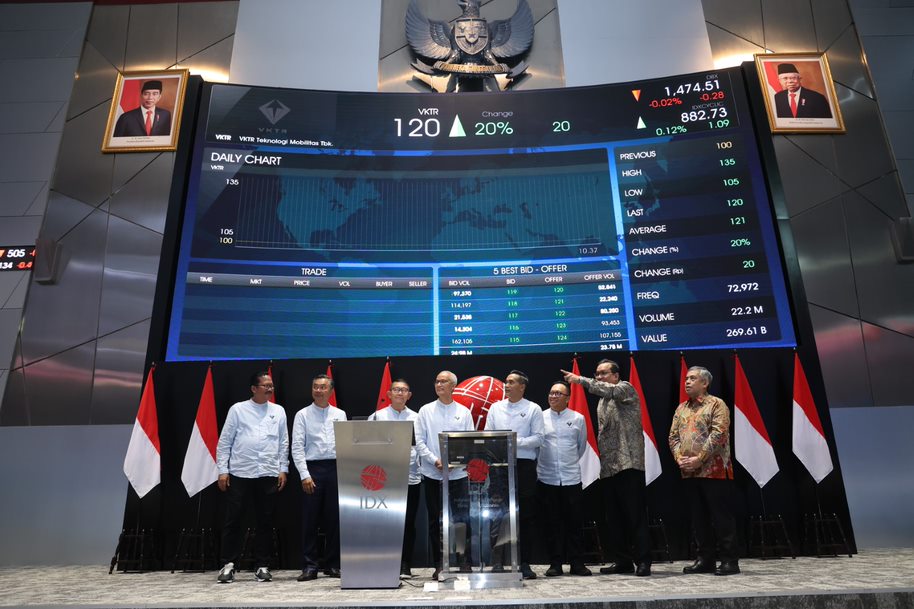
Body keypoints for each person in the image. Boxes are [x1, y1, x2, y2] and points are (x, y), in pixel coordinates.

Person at [563, 359, 652, 577]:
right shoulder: (602, 401)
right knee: (614, 519)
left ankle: (643, 561)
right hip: (609, 467)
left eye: (603, 373)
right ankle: (622, 561)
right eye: (597, 374)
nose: (599, 377)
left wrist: (580, 380)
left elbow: (610, 391)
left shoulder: (625, 389)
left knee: (635, 516)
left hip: (629, 464)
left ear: (616, 375)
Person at [215, 372, 289, 584]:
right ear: (254, 388)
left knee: (265, 521)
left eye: (271, 385)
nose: (270, 388)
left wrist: (283, 468)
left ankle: (262, 566)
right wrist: (223, 470)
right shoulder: (238, 409)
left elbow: (283, 441)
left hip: (268, 472)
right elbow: (225, 441)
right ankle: (228, 565)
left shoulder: (278, 410)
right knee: (234, 520)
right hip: (240, 472)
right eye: (265, 385)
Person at [668, 366, 740, 576]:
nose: (687, 382)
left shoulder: (716, 404)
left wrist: (699, 459)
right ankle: (705, 560)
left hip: (714, 470)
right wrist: (679, 458)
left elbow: (719, 434)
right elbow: (673, 437)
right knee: (698, 518)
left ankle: (729, 561)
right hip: (689, 471)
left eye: (692, 378)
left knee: (721, 517)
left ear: (705, 383)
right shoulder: (681, 408)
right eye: (686, 378)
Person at [484, 369, 544, 579]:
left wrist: (513, 441)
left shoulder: (533, 408)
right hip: (499, 466)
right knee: (498, 515)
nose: (506, 386)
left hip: (524, 467)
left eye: (511, 382)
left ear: (522, 386)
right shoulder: (495, 408)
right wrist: (503, 443)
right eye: (506, 382)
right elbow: (488, 435)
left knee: (526, 516)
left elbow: (539, 438)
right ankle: (497, 562)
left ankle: (524, 563)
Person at [414, 370, 474, 580]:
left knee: (462, 519)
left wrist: (456, 463)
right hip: (433, 473)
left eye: (444, 381)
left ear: (453, 386)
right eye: (437, 381)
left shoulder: (464, 412)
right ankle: (439, 563)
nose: (439, 384)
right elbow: (419, 442)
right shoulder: (425, 411)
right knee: (435, 520)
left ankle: (464, 561)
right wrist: (435, 460)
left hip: (458, 475)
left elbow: (469, 441)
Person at [291, 374, 348, 581]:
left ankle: (333, 565)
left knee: (334, 519)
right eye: (315, 387)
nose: (318, 390)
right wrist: (304, 475)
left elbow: (345, 443)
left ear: (331, 391)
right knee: (310, 520)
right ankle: (309, 565)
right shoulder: (302, 414)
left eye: (323, 387)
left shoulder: (340, 414)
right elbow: (297, 447)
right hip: (312, 469)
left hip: (335, 468)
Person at [367, 378, 422, 578]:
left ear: (409, 395)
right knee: (386, 523)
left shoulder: (417, 418)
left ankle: (405, 564)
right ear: (389, 394)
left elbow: (421, 446)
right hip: (384, 479)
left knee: (408, 523)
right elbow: (368, 446)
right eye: (396, 390)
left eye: (404, 390)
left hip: (410, 477)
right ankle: (385, 563)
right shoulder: (377, 417)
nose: (400, 393)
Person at [537, 381, 592, 577]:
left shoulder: (578, 418)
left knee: (574, 524)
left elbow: (581, 446)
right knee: (552, 524)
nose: (553, 396)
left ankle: (577, 564)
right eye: (551, 393)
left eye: (558, 393)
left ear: (568, 398)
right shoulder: (540, 417)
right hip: (547, 479)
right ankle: (555, 564)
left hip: (571, 479)